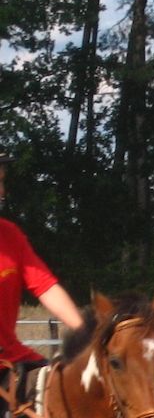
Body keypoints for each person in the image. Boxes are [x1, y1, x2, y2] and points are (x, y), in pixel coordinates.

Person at [0, 152, 85, 370]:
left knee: (61, 392)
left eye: (1, 182)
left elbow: (46, 287)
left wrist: (85, 333)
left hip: (10, 359)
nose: (2, 192)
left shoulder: (10, 235)